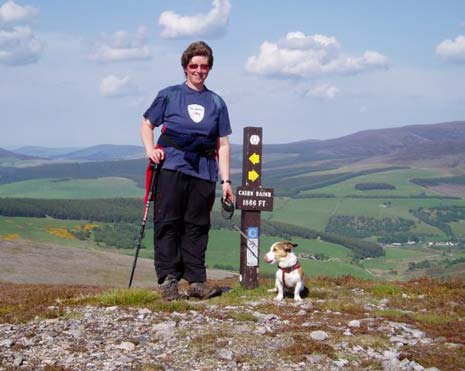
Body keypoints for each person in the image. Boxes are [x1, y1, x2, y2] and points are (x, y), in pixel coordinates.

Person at [140, 41, 234, 300]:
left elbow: (222, 144)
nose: (198, 70)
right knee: (168, 222)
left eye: (204, 66)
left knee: (197, 225)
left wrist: (226, 181)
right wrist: (151, 150)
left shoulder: (217, 102)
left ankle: (196, 281)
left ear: (210, 68)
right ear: (185, 67)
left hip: (204, 171)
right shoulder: (169, 95)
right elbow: (147, 124)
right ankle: (169, 281)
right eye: (194, 65)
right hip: (171, 167)